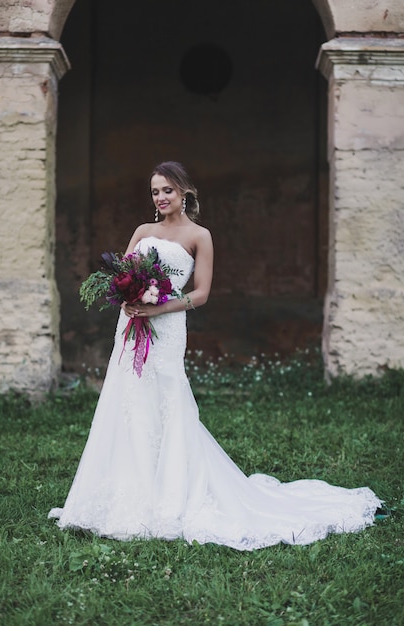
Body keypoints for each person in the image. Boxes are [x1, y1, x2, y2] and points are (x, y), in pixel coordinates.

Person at [49, 161, 381, 551]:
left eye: (167, 190)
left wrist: (158, 308)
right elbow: (122, 275)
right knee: (128, 399)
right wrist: (128, 299)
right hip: (132, 326)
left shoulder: (199, 235)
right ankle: (126, 492)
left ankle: (172, 491)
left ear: (184, 192)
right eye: (155, 191)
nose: (160, 197)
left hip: (167, 325)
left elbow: (202, 292)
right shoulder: (143, 231)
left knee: (168, 399)